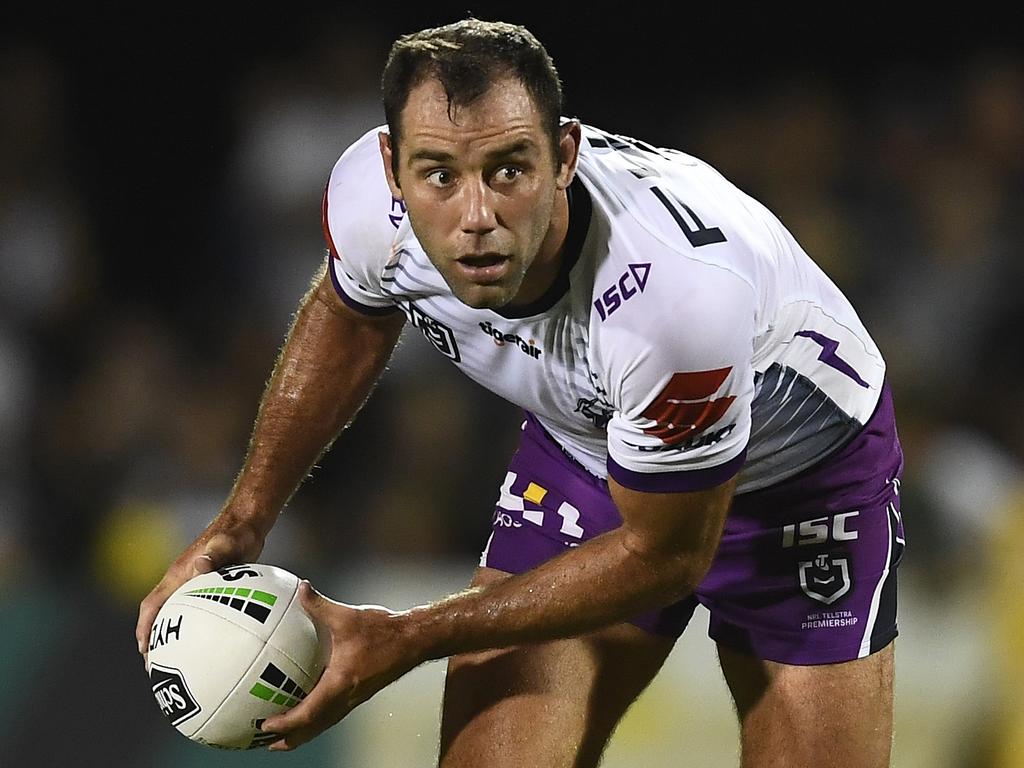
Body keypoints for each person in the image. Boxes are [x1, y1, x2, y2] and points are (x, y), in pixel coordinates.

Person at [136, 18, 906, 767]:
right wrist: (242, 519)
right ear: (392, 165)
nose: (477, 219)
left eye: (509, 169)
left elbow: (666, 555)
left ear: (564, 154)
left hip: (804, 482)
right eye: (439, 173)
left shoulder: (672, 306)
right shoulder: (370, 204)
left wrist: (408, 637)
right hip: (595, 445)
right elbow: (351, 310)